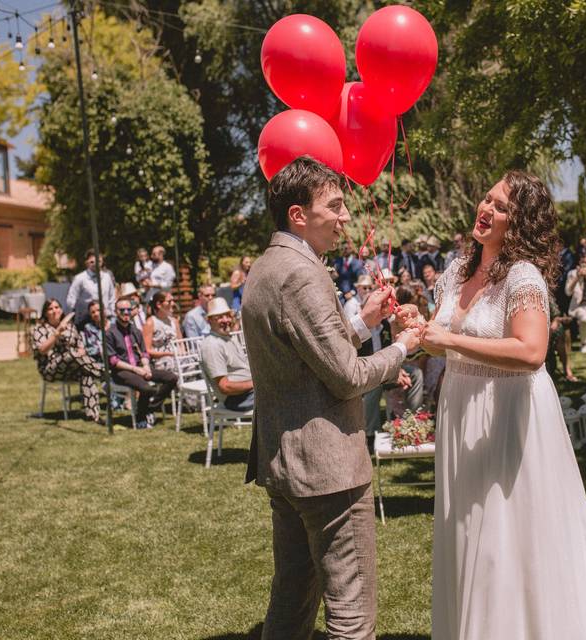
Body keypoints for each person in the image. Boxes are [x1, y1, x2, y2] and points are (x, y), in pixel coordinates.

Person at [421, 170, 586, 640]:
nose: (486, 209)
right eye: (487, 199)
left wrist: (448, 340)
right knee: (466, 532)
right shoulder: (457, 270)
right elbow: (439, 337)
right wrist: (420, 329)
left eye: (501, 206)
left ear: (520, 223)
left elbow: (531, 352)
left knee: (506, 539)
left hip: (505, 414)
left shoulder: (522, 277)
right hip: (460, 409)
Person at [241, 156, 421, 640]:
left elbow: (308, 353)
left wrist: (364, 322)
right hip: (327, 472)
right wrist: (405, 347)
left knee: (292, 597)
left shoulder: (265, 266)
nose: (345, 217)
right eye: (335, 205)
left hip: (285, 464)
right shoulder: (303, 273)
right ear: (299, 214)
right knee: (351, 615)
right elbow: (344, 376)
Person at [346, 275, 423, 447]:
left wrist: (397, 370)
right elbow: (358, 361)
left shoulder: (386, 327)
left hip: (388, 368)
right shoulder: (361, 331)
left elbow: (393, 350)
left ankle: (414, 419)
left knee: (416, 374)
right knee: (374, 387)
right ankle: (370, 433)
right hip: (368, 371)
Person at [104, 297, 178, 429]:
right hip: (121, 371)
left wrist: (146, 366)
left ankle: (149, 408)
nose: (126, 313)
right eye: (122, 310)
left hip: (140, 367)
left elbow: (144, 353)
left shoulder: (136, 331)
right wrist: (136, 369)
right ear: (116, 312)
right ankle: (141, 417)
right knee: (147, 388)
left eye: (129, 309)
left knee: (171, 378)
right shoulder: (110, 333)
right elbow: (113, 361)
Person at [31, 298, 103, 423]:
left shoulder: (71, 327)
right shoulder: (39, 329)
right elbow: (42, 350)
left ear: (61, 309)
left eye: (57, 307)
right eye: (50, 308)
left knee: (86, 373)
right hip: (50, 370)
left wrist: (81, 350)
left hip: (71, 368)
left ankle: (93, 415)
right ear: (45, 312)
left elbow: (81, 346)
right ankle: (102, 373)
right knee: (71, 354)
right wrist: (57, 333)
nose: (54, 311)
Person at [200, 297, 254, 412]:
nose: (226, 320)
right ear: (209, 321)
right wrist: (256, 383)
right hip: (237, 399)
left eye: (228, 315)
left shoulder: (229, 338)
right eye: (219, 317)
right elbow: (225, 387)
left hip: (249, 392)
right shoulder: (212, 345)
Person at [65, 249, 116, 328]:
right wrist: (74, 315)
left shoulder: (107, 277)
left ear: (102, 262)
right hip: (86, 319)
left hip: (105, 318)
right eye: (92, 262)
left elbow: (111, 297)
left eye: (98, 261)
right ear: (87, 263)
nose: (95, 264)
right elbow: (71, 299)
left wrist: (112, 314)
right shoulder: (80, 278)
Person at [143, 291, 182, 372]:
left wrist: (182, 353)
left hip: (177, 357)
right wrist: (169, 354)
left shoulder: (174, 321)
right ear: (159, 305)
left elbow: (181, 343)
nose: (173, 303)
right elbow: (148, 350)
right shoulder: (150, 323)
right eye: (169, 301)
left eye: (173, 300)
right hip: (161, 360)